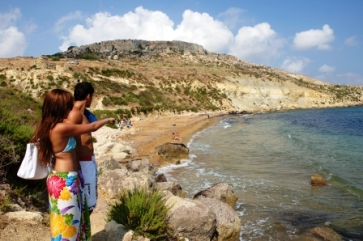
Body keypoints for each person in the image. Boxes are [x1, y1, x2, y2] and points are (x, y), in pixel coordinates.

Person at [31, 89, 115, 241]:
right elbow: (92, 127)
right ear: (60, 106)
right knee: (69, 222)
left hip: (58, 178)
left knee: (62, 220)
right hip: (66, 181)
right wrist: (107, 120)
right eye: (68, 105)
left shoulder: (45, 126)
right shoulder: (61, 128)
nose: (71, 109)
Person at [66, 82, 99, 214]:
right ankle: (80, 232)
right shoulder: (75, 114)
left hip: (81, 161)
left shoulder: (84, 114)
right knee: (88, 202)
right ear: (88, 96)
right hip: (84, 162)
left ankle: (81, 231)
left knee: (83, 199)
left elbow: (94, 123)